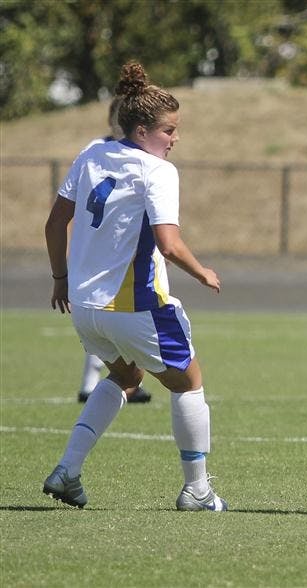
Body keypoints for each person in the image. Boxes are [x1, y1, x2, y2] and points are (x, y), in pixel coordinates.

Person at [43, 61, 227, 511]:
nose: (175, 138)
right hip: (133, 304)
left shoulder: (91, 154)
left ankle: (67, 470)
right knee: (189, 383)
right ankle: (198, 490)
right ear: (143, 129)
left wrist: (60, 279)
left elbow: (54, 223)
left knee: (126, 376)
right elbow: (168, 243)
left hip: (85, 307)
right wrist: (202, 270)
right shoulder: (158, 171)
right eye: (169, 130)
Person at [76, 96, 151, 404]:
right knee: (106, 318)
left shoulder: (142, 155)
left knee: (117, 319)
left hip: (127, 248)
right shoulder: (96, 151)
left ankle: (119, 381)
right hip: (103, 248)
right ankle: (94, 383)